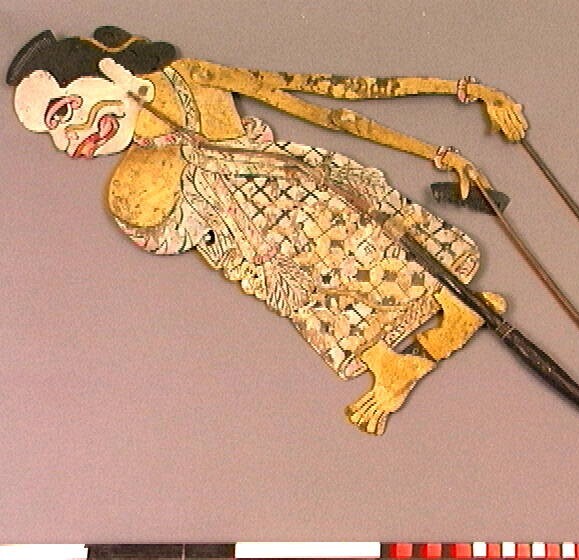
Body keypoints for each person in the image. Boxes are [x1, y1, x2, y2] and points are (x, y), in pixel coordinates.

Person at [8, 26, 526, 435]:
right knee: (297, 292)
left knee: (360, 239)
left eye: (65, 112)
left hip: (298, 192)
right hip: (246, 242)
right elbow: (166, 227)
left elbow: (328, 100)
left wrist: (454, 119)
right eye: (54, 132)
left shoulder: (190, 80)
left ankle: (454, 306)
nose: (69, 140)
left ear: (105, 70)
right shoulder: (142, 167)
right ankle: (390, 363)